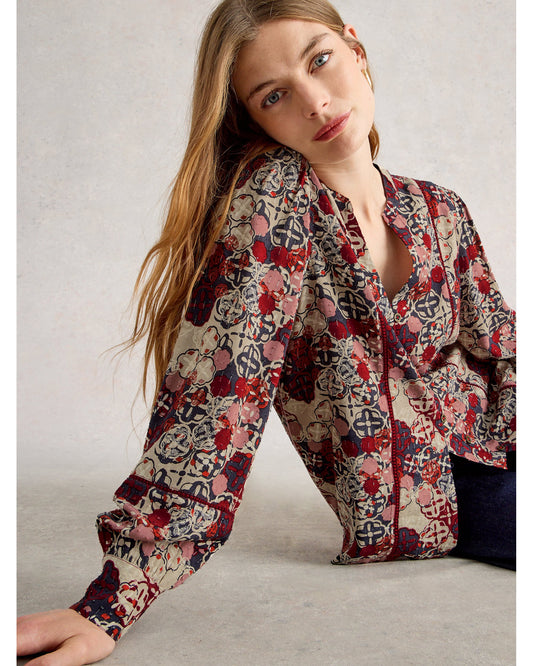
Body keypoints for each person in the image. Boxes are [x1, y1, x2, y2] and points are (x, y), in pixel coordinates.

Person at [17, 0, 516, 663]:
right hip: (445, 495)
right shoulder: (276, 204)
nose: (314, 101)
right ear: (253, 120)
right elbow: (220, 394)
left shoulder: (441, 209)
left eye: (320, 60)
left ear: (356, 50)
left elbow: (502, 354)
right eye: (274, 95)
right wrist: (110, 604)